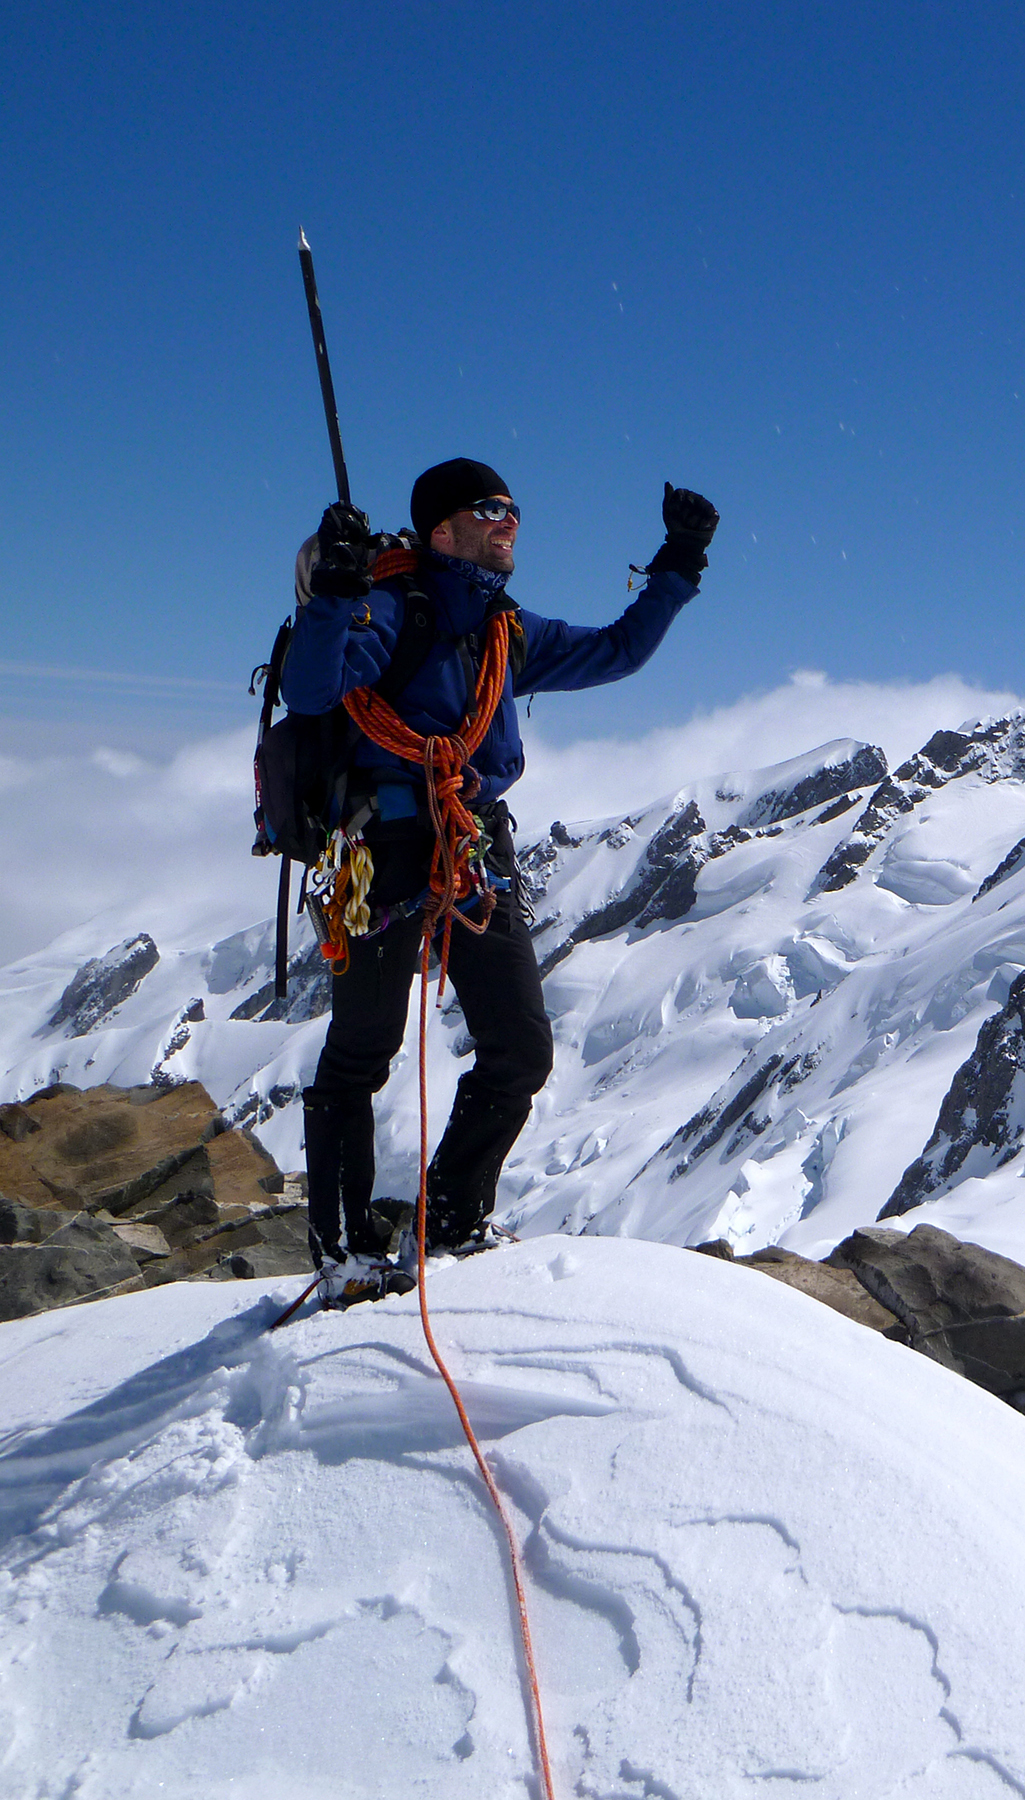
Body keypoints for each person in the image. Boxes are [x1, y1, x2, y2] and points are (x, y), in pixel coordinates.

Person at [283, 458, 717, 1305]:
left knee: (518, 1047)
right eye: (490, 510)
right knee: (361, 1053)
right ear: (443, 531)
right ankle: (342, 1255)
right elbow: (312, 690)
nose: (509, 521)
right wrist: (335, 594)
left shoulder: (504, 632)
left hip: (474, 843)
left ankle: (447, 1224)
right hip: (385, 845)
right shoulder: (385, 610)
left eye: (514, 508)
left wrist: (679, 563)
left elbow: (617, 652)